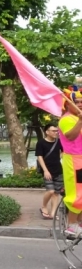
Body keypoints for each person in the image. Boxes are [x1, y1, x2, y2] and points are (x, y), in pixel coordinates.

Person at [58, 82, 82, 237]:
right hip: (73, 160)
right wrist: (80, 120)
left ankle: (78, 222)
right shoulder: (67, 119)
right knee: (77, 194)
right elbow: (71, 136)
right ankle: (71, 225)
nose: (80, 104)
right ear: (68, 104)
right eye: (77, 102)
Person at [36, 123, 63, 219]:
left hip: (59, 170)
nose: (56, 132)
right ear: (47, 132)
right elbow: (40, 157)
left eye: (57, 131)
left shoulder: (59, 142)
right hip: (47, 171)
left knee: (56, 193)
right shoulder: (41, 143)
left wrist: (59, 157)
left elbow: (64, 151)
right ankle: (43, 206)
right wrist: (45, 171)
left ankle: (53, 213)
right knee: (50, 191)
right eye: (53, 131)